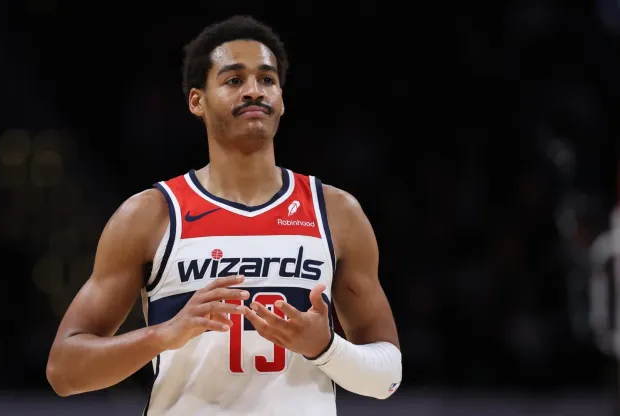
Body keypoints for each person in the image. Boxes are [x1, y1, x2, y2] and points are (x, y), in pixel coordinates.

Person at [45, 15, 402, 415]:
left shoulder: (336, 212)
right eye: (234, 80)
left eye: (267, 80)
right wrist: (162, 335)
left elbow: (387, 377)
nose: (254, 91)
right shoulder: (151, 214)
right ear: (197, 100)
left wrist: (326, 348)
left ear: (282, 98)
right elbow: (64, 370)